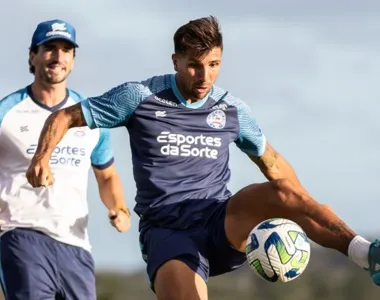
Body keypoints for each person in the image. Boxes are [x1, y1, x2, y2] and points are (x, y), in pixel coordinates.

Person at [25, 16, 379, 300]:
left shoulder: (231, 109)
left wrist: (301, 208)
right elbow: (65, 116)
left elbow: (271, 162)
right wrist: (42, 157)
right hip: (168, 231)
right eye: (195, 65)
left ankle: (366, 254)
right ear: (175, 60)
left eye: (214, 64)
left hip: (220, 220)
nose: (205, 76)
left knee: (283, 189)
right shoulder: (140, 96)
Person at [0, 19, 131, 300]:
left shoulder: (89, 118)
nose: (58, 56)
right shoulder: (7, 112)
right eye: (49, 48)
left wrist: (119, 208)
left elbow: (106, 175)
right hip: (21, 234)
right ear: (33, 56)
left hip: (76, 245)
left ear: (73, 59)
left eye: (66, 49)